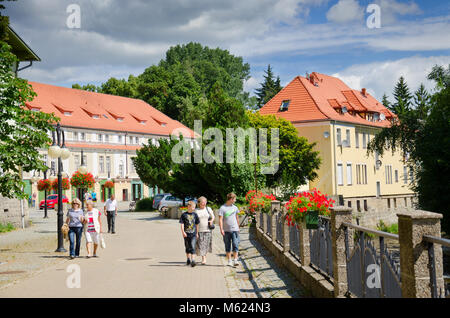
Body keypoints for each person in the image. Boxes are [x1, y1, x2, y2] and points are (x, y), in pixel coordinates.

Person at [219, 192, 240, 267]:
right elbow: (220, 219)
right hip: (226, 230)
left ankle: (235, 260)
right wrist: (221, 229)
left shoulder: (235, 208)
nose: (235, 200)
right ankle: (229, 260)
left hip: (235, 229)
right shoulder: (222, 208)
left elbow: (237, 217)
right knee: (227, 245)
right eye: (234, 199)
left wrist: (238, 227)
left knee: (235, 244)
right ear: (231, 199)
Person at [195, 196, 214, 265]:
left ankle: (204, 257)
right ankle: (203, 258)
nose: (204, 204)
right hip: (199, 230)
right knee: (201, 244)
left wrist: (211, 221)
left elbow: (213, 216)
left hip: (208, 230)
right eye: (202, 203)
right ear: (199, 203)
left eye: (205, 202)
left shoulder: (208, 209)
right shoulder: (196, 210)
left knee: (206, 245)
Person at [179, 200, 200, 267]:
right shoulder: (184, 215)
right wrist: (183, 232)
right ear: (188, 206)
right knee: (187, 247)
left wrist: (197, 233)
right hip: (186, 234)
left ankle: (193, 260)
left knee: (193, 246)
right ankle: (188, 259)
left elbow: (197, 224)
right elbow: (182, 224)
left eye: (194, 207)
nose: (194, 208)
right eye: (193, 207)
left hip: (193, 234)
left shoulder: (195, 215)